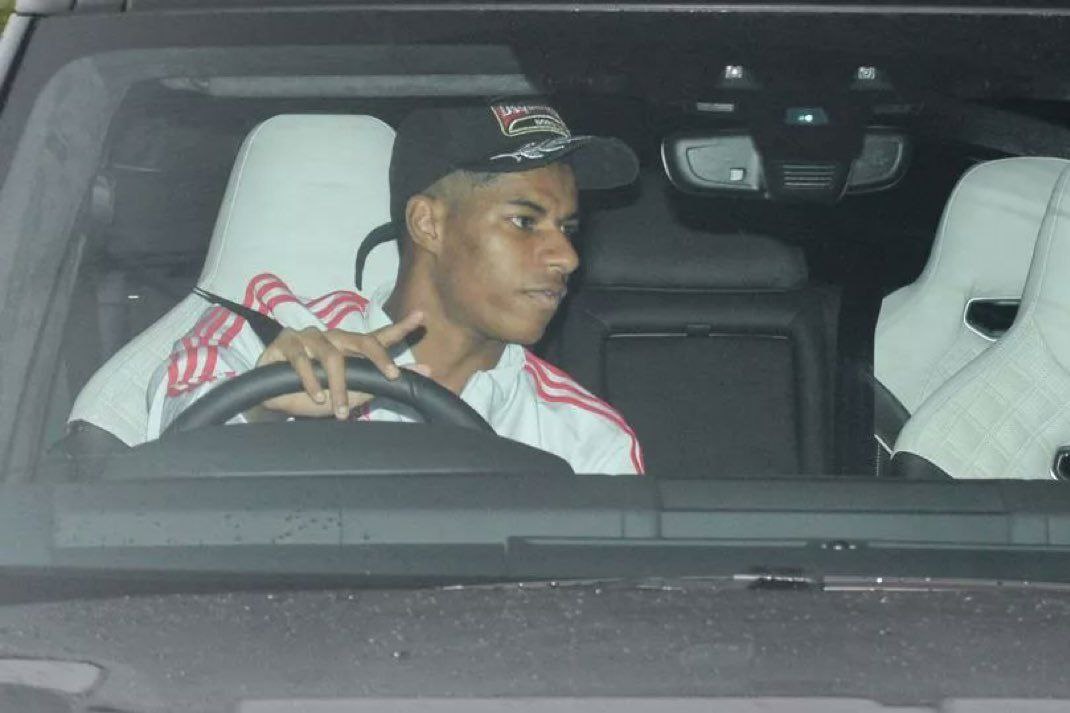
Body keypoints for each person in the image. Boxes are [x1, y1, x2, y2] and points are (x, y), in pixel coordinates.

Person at [146, 100, 645, 474]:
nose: (567, 257)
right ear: (428, 224)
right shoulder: (263, 332)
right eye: (525, 222)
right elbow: (166, 457)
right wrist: (259, 407)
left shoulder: (587, 440)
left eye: (568, 228)